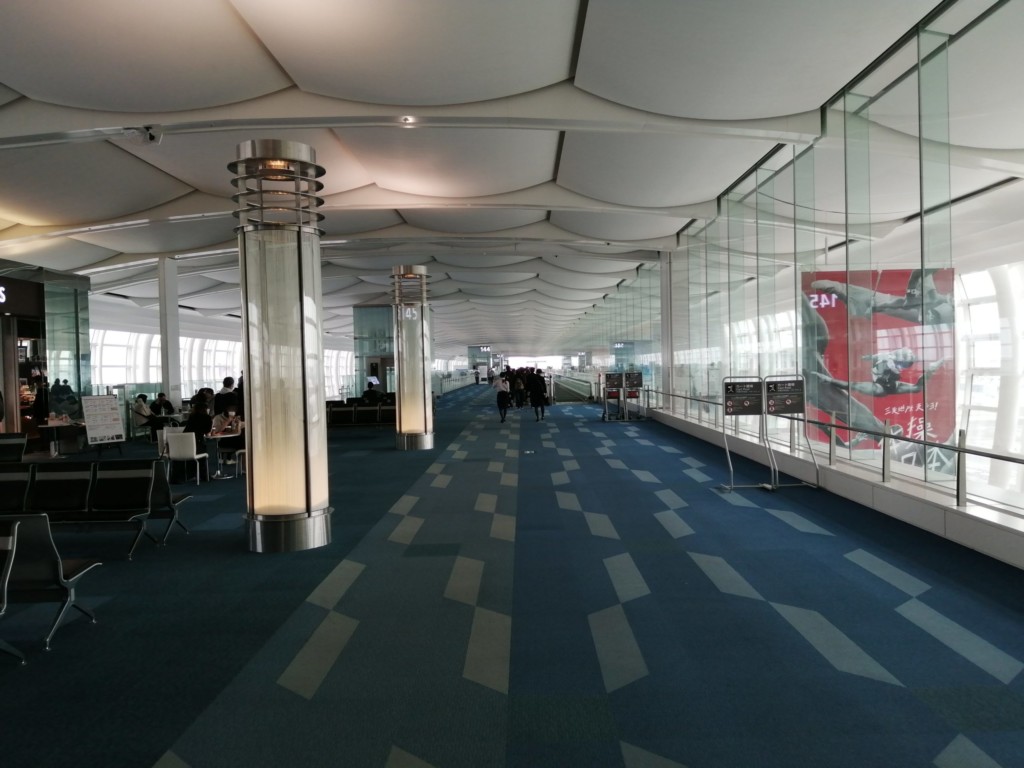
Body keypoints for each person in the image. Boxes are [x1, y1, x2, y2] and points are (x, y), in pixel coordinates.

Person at [181, 400, 213, 481]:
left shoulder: (192, 416)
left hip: (183, 443)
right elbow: (207, 431)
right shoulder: (207, 417)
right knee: (202, 450)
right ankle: (204, 475)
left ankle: (191, 474)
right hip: (196, 443)